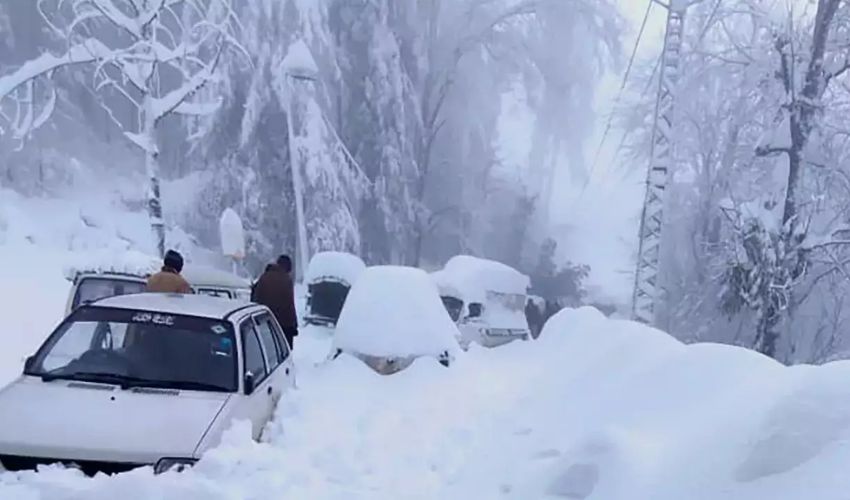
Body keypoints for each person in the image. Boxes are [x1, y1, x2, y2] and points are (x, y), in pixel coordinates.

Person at [252, 255, 298, 347]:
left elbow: (255, 298)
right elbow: (290, 305)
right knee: (283, 348)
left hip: (263, 321)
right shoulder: (287, 280)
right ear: (287, 267)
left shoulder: (264, 277)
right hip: (283, 324)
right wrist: (293, 325)